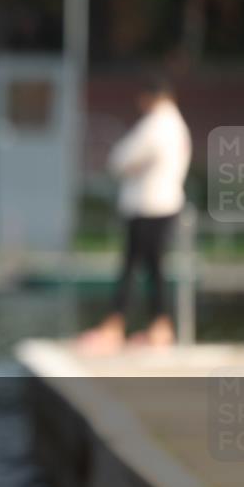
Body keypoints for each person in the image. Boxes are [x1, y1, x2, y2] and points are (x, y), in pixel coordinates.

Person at [76, 76, 192, 354]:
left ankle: (114, 327)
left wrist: (125, 166)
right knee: (154, 269)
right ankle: (159, 327)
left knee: (131, 269)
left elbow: (121, 159)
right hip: (164, 203)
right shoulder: (176, 125)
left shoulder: (158, 124)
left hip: (148, 206)